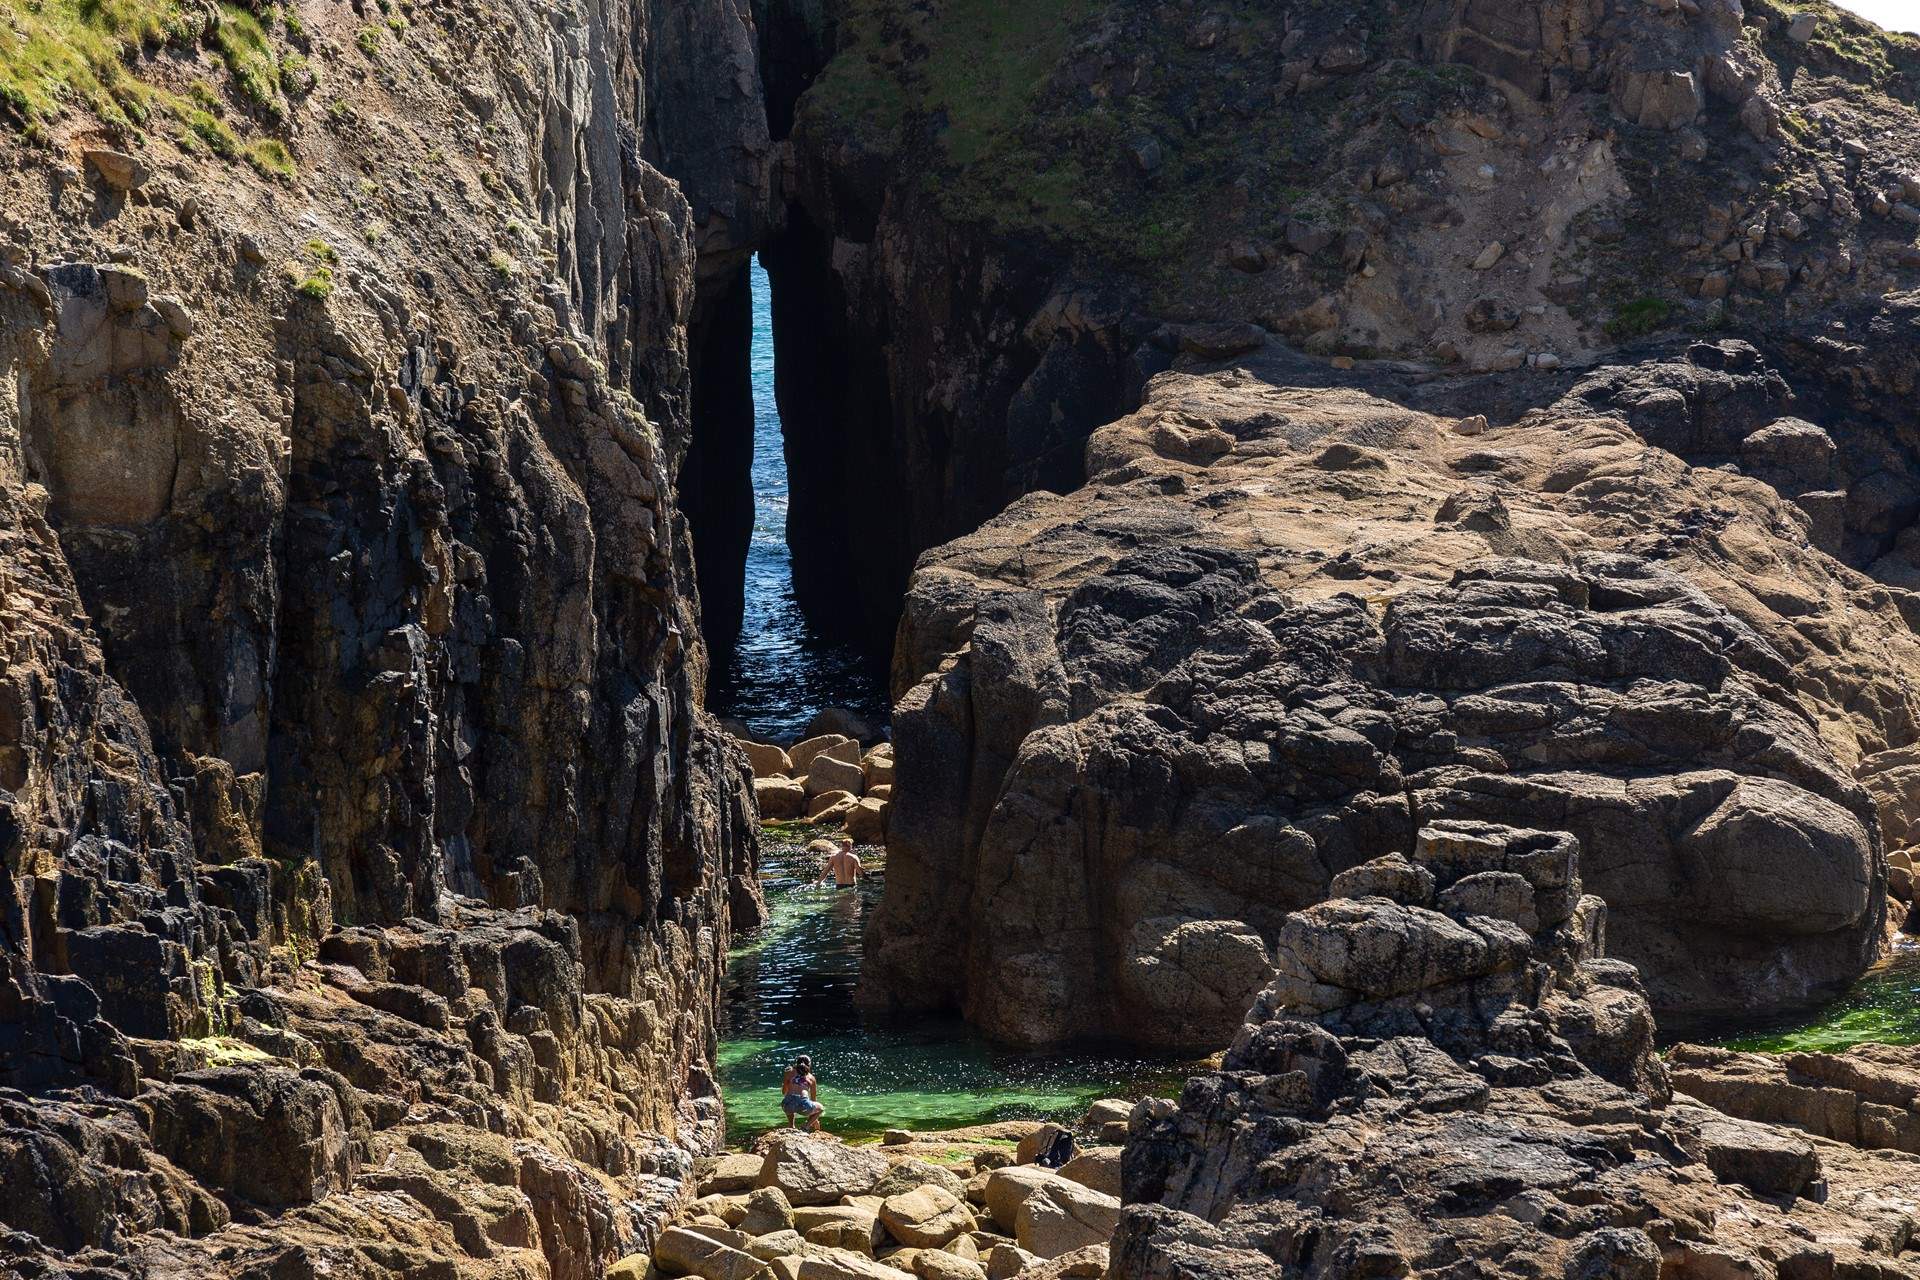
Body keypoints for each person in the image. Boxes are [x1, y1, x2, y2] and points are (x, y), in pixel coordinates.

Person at [782, 1054, 823, 1130]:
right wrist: (815, 1120)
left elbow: (784, 1092)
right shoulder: (811, 1078)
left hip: (786, 1105)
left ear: (796, 1063)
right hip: (803, 1105)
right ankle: (806, 1126)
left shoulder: (788, 1073)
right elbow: (813, 1099)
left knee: (790, 1101)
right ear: (809, 1065)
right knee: (821, 1108)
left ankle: (791, 1125)